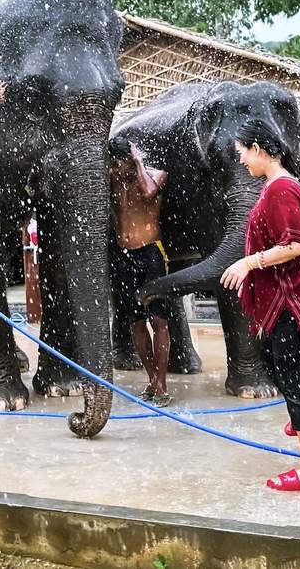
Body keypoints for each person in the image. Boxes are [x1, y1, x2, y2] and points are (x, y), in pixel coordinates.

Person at [219, 118, 300, 492]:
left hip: (292, 301)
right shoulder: (279, 185)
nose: (241, 161)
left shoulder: (281, 189)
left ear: (258, 149)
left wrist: (249, 263)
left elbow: (296, 245)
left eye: (242, 153)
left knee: (296, 379)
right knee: (298, 375)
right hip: (295, 299)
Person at [109, 135, 172, 406]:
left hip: (151, 253)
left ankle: (162, 384)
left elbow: (148, 192)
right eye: (112, 165)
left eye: (119, 164)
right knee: (135, 322)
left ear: (130, 159)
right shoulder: (113, 180)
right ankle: (152, 379)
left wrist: (138, 162)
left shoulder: (156, 175)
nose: (115, 169)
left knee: (158, 320)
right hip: (124, 256)